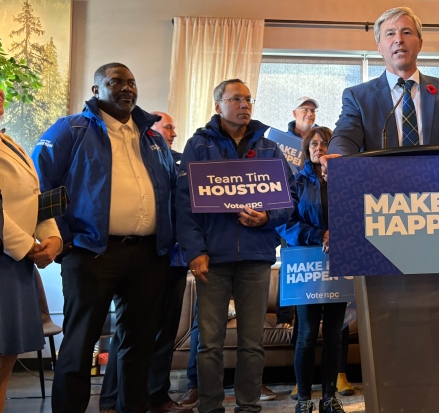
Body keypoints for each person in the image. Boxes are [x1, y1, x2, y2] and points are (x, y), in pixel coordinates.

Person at [34, 63, 177, 413]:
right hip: (91, 253)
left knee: (139, 346)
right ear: (97, 89)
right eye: (116, 82)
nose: (127, 88)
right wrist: (64, 241)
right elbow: (40, 186)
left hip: (147, 255)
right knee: (80, 345)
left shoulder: (152, 137)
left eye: (131, 82)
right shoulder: (71, 129)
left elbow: (172, 191)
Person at [176, 78, 294, 413]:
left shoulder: (270, 148)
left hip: (256, 257)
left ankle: (248, 407)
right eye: (236, 99)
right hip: (212, 258)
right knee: (210, 343)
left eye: (248, 99)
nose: (244, 105)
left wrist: (266, 217)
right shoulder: (198, 146)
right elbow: (184, 205)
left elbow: (290, 201)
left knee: (252, 343)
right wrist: (195, 251)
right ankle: (210, 406)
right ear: (218, 105)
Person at [326, 6, 439, 157]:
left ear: (420, 43)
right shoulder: (358, 96)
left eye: (406, 32)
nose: (399, 39)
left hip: (435, 193)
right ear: (379, 48)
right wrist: (338, 157)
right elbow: (346, 136)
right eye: (390, 34)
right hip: (379, 194)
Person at [98, 111, 189, 413]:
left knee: (164, 334)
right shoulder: (130, 158)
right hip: (143, 259)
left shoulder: (180, 161)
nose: (173, 133)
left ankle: (157, 396)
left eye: (174, 128)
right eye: (169, 127)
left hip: (175, 260)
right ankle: (111, 399)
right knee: (128, 334)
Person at [0, 87, 62, 413]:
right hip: (8, 257)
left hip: (16, 265)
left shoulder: (10, 142)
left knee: (4, 363)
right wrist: (26, 246)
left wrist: (51, 237)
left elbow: (33, 197)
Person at [278, 127, 348, 413]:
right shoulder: (295, 182)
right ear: (307, 150)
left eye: (325, 143)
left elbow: (359, 213)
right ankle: (304, 399)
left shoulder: (346, 180)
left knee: (334, 333)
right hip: (306, 264)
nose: (319, 147)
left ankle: (329, 398)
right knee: (306, 333)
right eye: (314, 144)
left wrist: (340, 233)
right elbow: (285, 223)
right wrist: (319, 236)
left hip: (341, 263)